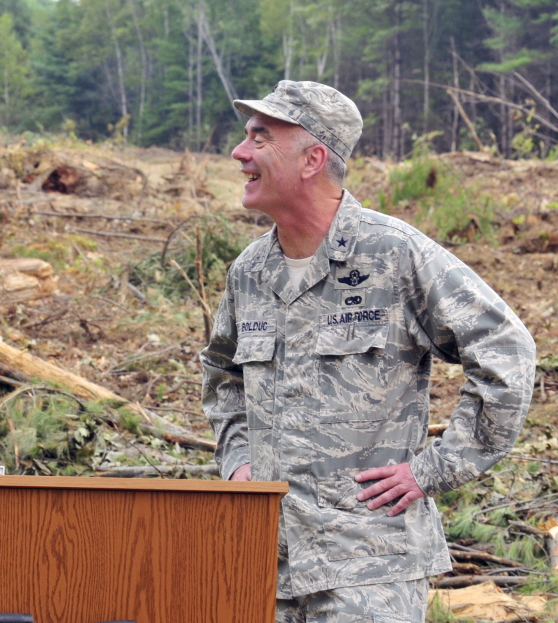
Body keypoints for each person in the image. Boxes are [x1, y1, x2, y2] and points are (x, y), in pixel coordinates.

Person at [201, 80, 536, 622]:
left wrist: (436, 469)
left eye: (260, 139)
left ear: (312, 158)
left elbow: (507, 351)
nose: (239, 153)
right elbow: (222, 372)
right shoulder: (250, 272)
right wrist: (237, 458)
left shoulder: (393, 253)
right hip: (267, 565)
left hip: (370, 568)